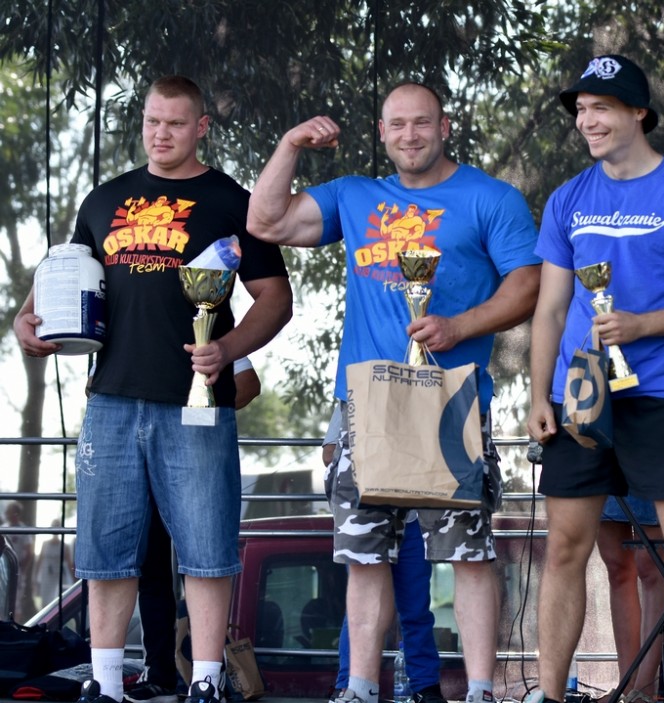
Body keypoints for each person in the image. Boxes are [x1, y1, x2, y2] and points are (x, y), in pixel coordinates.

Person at [246, 81, 541, 703]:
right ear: (381, 132)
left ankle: (480, 691)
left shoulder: (491, 197)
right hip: (367, 401)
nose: (411, 135)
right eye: (398, 124)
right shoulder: (355, 195)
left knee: (468, 553)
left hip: (452, 399)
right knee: (364, 555)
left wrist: (459, 326)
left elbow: (528, 285)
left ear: (445, 126)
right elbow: (265, 221)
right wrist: (291, 143)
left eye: (423, 122)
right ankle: (358, 688)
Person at [13, 75, 292, 703]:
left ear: (201, 128)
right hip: (110, 399)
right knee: (105, 548)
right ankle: (107, 681)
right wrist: (25, 320)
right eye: (151, 121)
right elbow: (61, 277)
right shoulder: (104, 199)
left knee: (207, 545)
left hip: (196, 401)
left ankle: (207, 680)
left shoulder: (231, 201)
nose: (160, 134)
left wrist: (229, 349)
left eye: (175, 123)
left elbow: (277, 297)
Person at [527, 55, 664, 703]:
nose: (587, 121)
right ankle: (549, 694)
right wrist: (538, 394)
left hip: (661, 394)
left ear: (638, 112)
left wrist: (643, 325)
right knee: (565, 549)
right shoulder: (568, 198)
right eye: (581, 110)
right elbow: (549, 309)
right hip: (580, 395)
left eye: (602, 108)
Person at [125, 359, 261, 703]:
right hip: (143, 465)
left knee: (204, 565)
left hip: (193, 462)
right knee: (150, 570)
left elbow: (248, 383)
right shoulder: (129, 341)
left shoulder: (202, 335)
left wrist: (192, 420)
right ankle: (158, 674)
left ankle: (208, 678)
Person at [321, 405, 445, 703]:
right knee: (363, 606)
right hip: (368, 515)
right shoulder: (359, 391)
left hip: (414, 516)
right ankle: (348, 684)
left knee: (416, 605)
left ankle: (425, 686)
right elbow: (329, 453)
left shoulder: (424, 391)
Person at [596, 497, 664, 703]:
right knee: (617, 568)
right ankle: (627, 684)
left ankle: (645, 687)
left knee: (651, 566)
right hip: (606, 478)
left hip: (652, 478)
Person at [5, 501, 37, 621]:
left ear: (16, 513)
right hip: (3, 569)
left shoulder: (23, 530)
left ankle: (14, 624)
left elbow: (29, 551)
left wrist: (22, 569)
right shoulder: (4, 528)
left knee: (16, 600)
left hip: (17, 569)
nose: (7, 514)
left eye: (9, 511)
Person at [34, 518, 75, 607]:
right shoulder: (45, 544)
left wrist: (73, 579)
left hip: (58, 576)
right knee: (46, 600)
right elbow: (39, 561)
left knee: (57, 599)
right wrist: (35, 577)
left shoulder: (65, 546)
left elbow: (69, 564)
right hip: (47, 576)